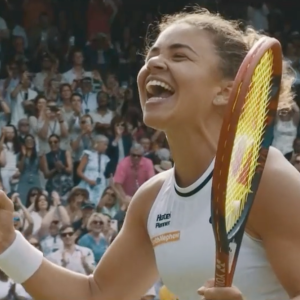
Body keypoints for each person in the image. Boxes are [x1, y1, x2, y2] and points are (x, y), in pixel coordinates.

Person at [0, 9, 300, 300]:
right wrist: (8, 245)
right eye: (152, 55)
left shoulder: (266, 180)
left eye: (179, 55)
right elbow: (96, 295)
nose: (154, 64)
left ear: (225, 91)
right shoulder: (151, 200)